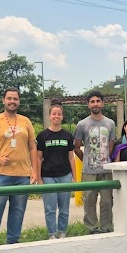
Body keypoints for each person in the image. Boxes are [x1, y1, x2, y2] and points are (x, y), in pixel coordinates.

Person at [0, 87, 38, 247]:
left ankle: (13, 242)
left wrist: (34, 171)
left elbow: (32, 147)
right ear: (3, 100)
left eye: (15, 99)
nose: (12, 101)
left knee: (18, 210)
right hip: (1, 173)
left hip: (22, 174)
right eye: (9, 98)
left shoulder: (26, 121)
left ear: (19, 101)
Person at [74, 90, 117, 234]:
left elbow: (111, 144)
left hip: (106, 170)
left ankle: (106, 227)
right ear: (88, 104)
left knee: (107, 201)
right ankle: (92, 228)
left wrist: (105, 159)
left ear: (103, 103)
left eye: (98, 101)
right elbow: (76, 147)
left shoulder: (110, 123)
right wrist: (86, 159)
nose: (95, 104)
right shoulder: (82, 124)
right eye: (92, 101)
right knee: (89, 201)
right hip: (89, 170)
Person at [36, 101, 76, 239]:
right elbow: (38, 158)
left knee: (64, 207)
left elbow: (71, 158)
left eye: (59, 114)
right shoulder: (42, 136)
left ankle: (62, 231)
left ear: (62, 116)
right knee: (50, 208)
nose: (56, 116)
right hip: (48, 176)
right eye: (54, 114)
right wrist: (38, 178)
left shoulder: (67, 136)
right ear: (49, 116)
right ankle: (52, 233)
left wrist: (75, 177)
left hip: (65, 175)